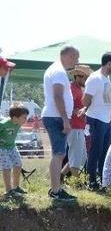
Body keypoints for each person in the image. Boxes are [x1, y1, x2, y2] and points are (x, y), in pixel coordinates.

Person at [42, 45, 80, 201]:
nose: (77, 61)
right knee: (59, 154)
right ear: (69, 56)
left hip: (54, 116)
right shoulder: (58, 71)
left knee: (58, 154)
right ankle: (56, 191)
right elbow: (58, 96)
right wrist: (65, 119)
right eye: (76, 58)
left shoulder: (55, 69)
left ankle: (56, 189)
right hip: (56, 117)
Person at [83, 52, 111, 191]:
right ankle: (91, 181)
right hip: (95, 119)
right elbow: (85, 100)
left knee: (104, 152)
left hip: (105, 121)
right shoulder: (95, 79)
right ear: (109, 64)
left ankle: (102, 181)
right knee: (95, 151)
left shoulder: (105, 78)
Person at [62, 64, 92, 179]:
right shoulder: (73, 89)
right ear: (78, 76)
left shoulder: (78, 89)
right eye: (86, 78)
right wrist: (81, 112)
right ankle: (77, 183)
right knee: (76, 157)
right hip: (75, 127)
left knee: (80, 156)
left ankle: (61, 176)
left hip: (79, 127)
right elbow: (68, 107)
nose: (87, 80)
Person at [0, 106, 29, 199]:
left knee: (18, 164)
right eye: (24, 117)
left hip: (12, 147)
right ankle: (9, 190)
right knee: (7, 167)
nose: (26, 119)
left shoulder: (18, 123)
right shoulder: (3, 124)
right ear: (15, 118)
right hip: (2, 148)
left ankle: (16, 187)